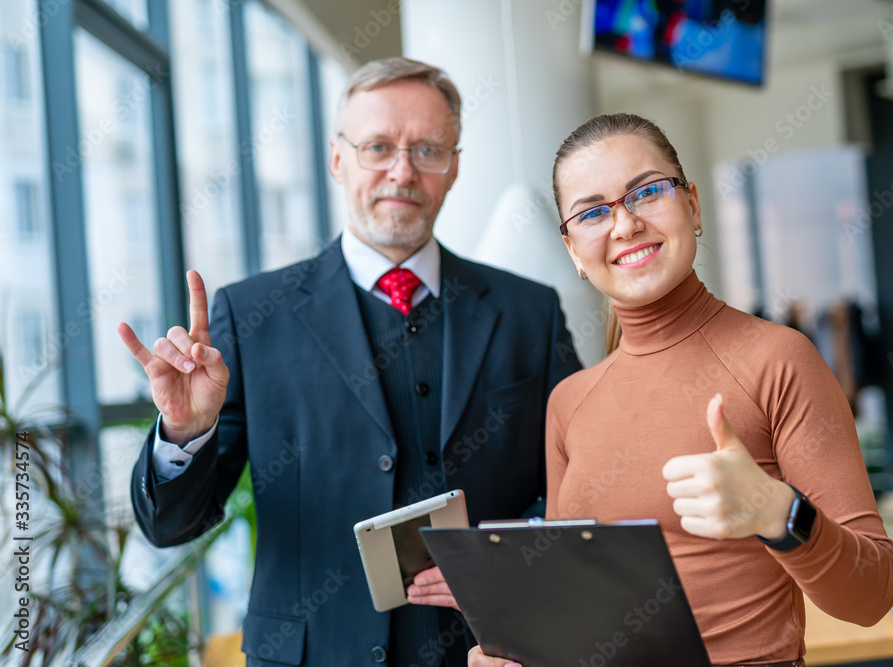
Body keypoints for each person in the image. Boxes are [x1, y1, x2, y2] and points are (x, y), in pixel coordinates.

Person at [120, 57, 581, 667]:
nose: (402, 171)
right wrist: (183, 431)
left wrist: (509, 555)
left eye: (427, 150)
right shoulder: (253, 313)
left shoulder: (531, 310)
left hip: (498, 652)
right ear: (337, 159)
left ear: (455, 168)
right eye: (378, 147)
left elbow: (584, 474)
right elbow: (171, 528)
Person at [469, 113, 893, 666]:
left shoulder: (779, 360)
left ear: (692, 205)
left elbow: (873, 595)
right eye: (593, 212)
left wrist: (776, 513)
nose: (623, 225)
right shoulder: (568, 402)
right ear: (573, 249)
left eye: (646, 192)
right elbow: (572, 611)